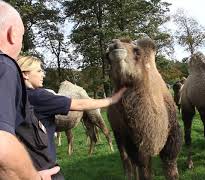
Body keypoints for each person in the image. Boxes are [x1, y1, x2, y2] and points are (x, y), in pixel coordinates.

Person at [17, 56, 126, 167]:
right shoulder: (38, 96)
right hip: (43, 164)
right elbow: (79, 104)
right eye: (39, 71)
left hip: (25, 161)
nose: (43, 74)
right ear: (25, 74)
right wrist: (112, 99)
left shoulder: (17, 96)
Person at [0, 1, 60, 179]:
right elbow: (2, 146)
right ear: (12, 34)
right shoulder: (5, 66)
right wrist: (33, 176)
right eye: (22, 36)